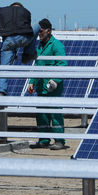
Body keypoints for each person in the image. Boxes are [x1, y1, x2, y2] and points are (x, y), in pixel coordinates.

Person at [0, 2, 40, 97]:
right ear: (21, 8)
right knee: (38, 25)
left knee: (3, 69)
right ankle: (27, 54)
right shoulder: (26, 12)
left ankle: (1, 92)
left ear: (10, 7)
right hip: (24, 38)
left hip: (8, 41)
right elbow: (27, 29)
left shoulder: (1, 11)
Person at [27, 19, 67, 150]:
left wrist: (54, 80)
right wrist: (32, 82)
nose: (39, 33)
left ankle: (59, 141)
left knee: (55, 114)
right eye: (38, 31)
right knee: (42, 114)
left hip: (52, 88)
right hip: (41, 86)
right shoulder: (40, 46)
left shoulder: (57, 45)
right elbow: (38, 65)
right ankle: (44, 140)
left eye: (41, 31)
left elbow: (62, 65)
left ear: (48, 31)